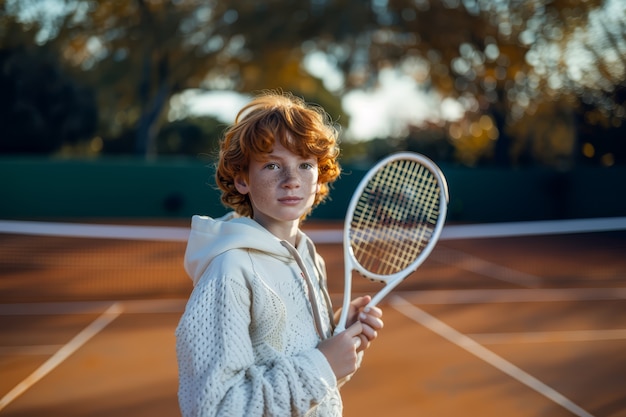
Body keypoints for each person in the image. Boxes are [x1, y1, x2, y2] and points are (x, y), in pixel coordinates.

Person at [175, 91, 384, 417]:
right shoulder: (229, 270)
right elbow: (214, 408)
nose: (291, 181)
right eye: (273, 165)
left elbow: (303, 387)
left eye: (304, 165)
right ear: (242, 178)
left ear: (319, 177)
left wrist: (337, 338)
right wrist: (323, 363)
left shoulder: (308, 258)